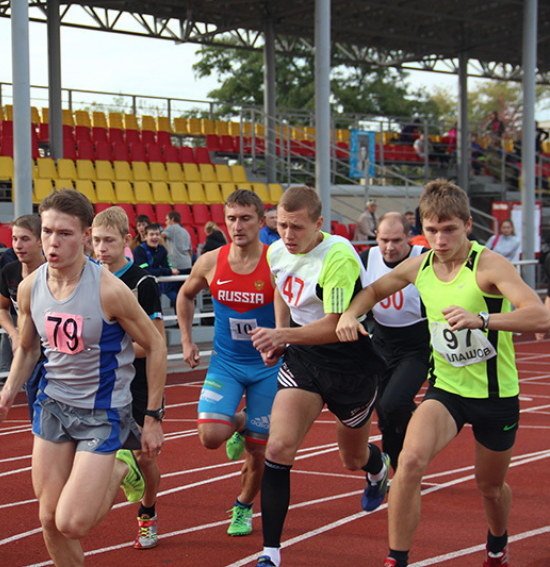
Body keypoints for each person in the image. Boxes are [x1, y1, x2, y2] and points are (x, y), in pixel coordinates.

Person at [336, 179, 550, 567]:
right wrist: (351, 313)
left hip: (495, 396)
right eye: (431, 230)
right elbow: (373, 291)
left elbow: (539, 314)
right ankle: (396, 559)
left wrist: (481, 319)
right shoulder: (419, 265)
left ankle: (497, 543)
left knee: (489, 486)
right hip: (446, 391)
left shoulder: (488, 265)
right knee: (409, 464)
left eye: (449, 229)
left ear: (467, 225)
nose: (440, 238)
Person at [0, 189, 166, 566]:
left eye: (65, 234)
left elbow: (156, 345)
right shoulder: (29, 286)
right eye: (48, 232)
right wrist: (7, 391)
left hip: (102, 412)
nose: (53, 242)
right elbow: (28, 348)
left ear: (86, 236)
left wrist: (152, 418)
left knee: (72, 522)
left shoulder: (109, 289)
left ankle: (121, 466)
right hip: (53, 406)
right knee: (48, 519)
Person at [247, 185, 390, 567]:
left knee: (352, 458)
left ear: (319, 224)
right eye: (281, 226)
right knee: (277, 449)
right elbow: (282, 288)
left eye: (296, 227)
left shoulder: (338, 256)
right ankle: (270, 553)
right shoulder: (276, 250)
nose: (288, 236)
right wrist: (280, 335)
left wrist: (282, 335)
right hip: (304, 361)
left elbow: (332, 325)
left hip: (349, 363)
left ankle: (376, 467)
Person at [177, 189, 280, 540]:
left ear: (261, 222)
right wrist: (188, 339)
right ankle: (238, 420)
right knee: (209, 437)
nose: (238, 226)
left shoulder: (277, 262)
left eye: (246, 218)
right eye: (232, 219)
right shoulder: (210, 261)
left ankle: (243, 505)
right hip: (227, 363)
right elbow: (185, 295)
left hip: (269, 368)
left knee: (258, 448)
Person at [92, 206, 166, 550]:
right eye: (95, 241)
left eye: (108, 241)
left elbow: (156, 343)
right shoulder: (88, 277)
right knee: (112, 455)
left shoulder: (142, 282)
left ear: (126, 240)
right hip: (105, 384)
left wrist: (107, 349)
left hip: (139, 384)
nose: (101, 248)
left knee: (144, 458)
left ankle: (148, 512)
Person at [359, 212, 430, 471]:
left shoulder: (424, 258)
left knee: (394, 403)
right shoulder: (366, 259)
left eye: (397, 240)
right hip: (383, 343)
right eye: (384, 239)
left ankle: (425, 427)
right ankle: (399, 471)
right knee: (385, 416)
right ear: (375, 237)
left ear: (409, 237)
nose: (389, 247)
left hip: (417, 345)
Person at [0, 214, 45, 397]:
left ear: (41, 241)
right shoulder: (10, 271)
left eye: (25, 239)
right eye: (14, 239)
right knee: (36, 416)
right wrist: (14, 334)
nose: (18, 245)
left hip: (53, 356)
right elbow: (1, 307)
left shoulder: (54, 272)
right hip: (29, 355)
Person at [134, 223, 178, 306]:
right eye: (151, 234)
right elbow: (146, 272)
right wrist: (168, 271)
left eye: (157, 234)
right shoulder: (139, 250)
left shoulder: (162, 250)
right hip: (139, 290)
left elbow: (168, 267)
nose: (155, 237)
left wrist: (168, 270)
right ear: (145, 237)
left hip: (156, 289)